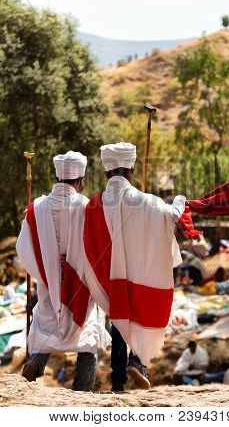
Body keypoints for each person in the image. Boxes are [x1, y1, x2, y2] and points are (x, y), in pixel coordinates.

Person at [83, 142, 186, 392]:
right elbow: (173, 215)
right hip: (139, 274)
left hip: (111, 277)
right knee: (141, 315)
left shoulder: (93, 205)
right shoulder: (148, 201)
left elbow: (87, 242)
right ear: (131, 170)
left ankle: (118, 382)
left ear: (107, 172)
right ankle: (138, 360)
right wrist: (181, 200)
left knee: (118, 321)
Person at [16, 151, 110, 391]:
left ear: (58, 177)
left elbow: (23, 248)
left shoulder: (36, 207)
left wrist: (45, 274)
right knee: (87, 336)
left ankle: (36, 362)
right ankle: (82, 391)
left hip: (49, 285)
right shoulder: (88, 206)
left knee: (46, 325)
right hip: (81, 285)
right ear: (80, 180)